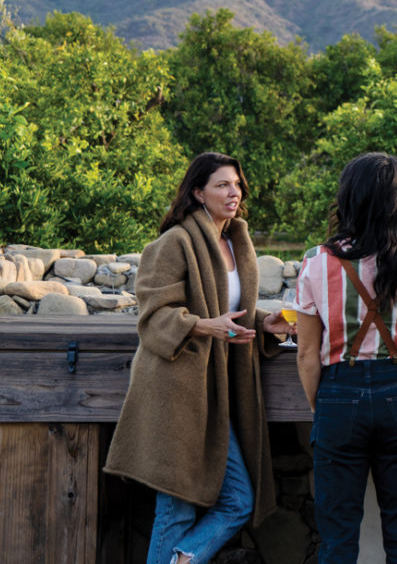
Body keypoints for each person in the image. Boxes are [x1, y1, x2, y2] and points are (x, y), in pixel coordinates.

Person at [105, 152, 293, 564]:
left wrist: (265, 323)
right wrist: (203, 326)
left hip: (216, 392)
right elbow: (153, 315)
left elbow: (230, 310)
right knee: (177, 508)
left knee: (238, 501)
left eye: (237, 184)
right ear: (198, 192)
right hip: (176, 390)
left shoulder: (235, 240)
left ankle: (181, 560)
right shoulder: (173, 243)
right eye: (222, 184)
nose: (233, 192)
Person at [294, 152, 397, 563]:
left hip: (337, 396)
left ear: (349, 199)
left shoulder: (317, 262)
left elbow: (307, 355)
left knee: (338, 538)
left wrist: (323, 405)